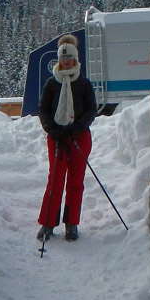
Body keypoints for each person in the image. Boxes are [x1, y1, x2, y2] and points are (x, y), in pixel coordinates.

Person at [36, 33, 97, 241]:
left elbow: (91, 110)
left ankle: (71, 223)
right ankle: (47, 222)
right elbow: (43, 109)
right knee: (55, 179)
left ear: (75, 59)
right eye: (62, 58)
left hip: (78, 136)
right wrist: (51, 128)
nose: (66, 61)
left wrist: (77, 126)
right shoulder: (52, 83)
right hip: (57, 136)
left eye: (69, 58)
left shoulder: (84, 84)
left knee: (75, 180)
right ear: (59, 60)